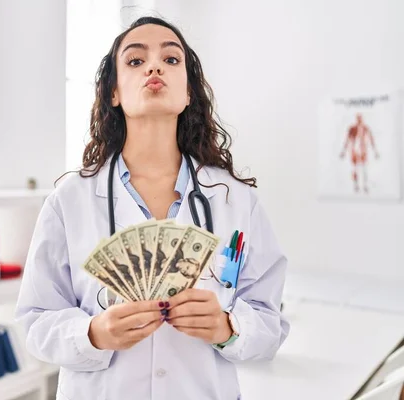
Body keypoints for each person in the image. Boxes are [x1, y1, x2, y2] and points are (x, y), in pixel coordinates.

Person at [15, 16, 289, 400]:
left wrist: (229, 327)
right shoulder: (69, 200)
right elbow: (34, 322)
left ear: (189, 92)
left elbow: (270, 322)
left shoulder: (235, 200)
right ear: (114, 92)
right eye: (135, 61)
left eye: (171, 59)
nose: (155, 67)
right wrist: (92, 334)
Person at [339, 113, 379, 193]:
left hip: (363, 150)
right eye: (358, 118)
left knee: (364, 168)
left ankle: (365, 185)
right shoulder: (352, 128)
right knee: (355, 168)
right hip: (355, 150)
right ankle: (356, 185)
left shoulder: (365, 128)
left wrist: (375, 151)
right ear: (356, 119)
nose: (360, 120)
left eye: (361, 119)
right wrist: (343, 151)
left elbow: (371, 139)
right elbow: (347, 139)